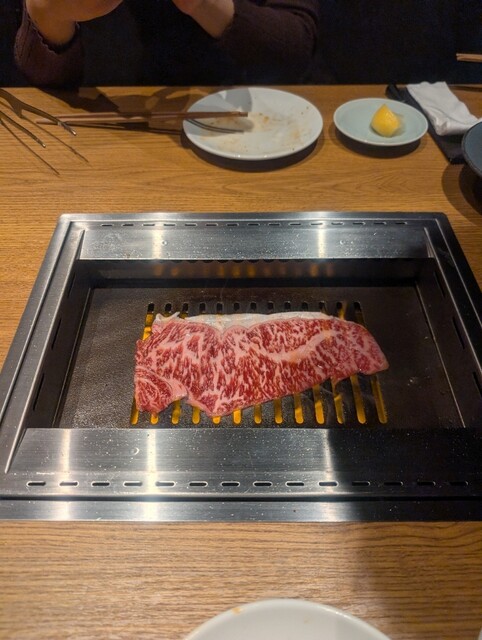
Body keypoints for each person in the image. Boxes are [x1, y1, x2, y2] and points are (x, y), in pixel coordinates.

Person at [14, 0, 321, 87]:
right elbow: (36, 89)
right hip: (104, 138)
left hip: (260, 124)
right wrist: (49, 12)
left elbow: (293, 51)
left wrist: (203, 4)